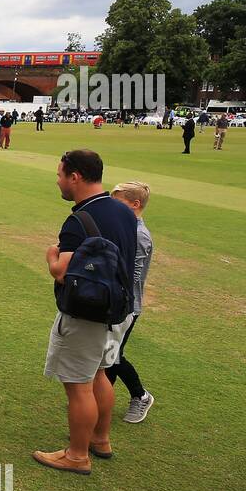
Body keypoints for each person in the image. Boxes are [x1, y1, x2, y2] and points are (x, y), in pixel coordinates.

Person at [34, 149, 137, 475]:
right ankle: (100, 439)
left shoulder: (78, 221)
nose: (59, 181)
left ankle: (77, 455)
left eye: (61, 175)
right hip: (116, 308)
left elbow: (62, 271)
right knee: (100, 373)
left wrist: (51, 255)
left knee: (78, 383)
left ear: (75, 176)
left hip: (86, 311)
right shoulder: (123, 212)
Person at [109, 181, 155, 423]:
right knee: (106, 354)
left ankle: (141, 395)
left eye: (118, 202)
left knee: (112, 356)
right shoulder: (124, 228)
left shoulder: (138, 235)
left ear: (135, 204)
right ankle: (98, 401)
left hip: (126, 306)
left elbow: (130, 276)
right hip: (114, 302)